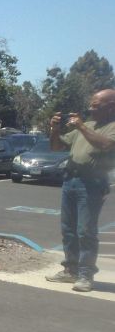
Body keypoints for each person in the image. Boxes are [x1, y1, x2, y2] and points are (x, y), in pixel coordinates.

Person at [45, 89, 115, 292]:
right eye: (90, 104)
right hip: (70, 181)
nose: (90, 108)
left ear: (111, 106)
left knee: (85, 231)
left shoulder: (110, 127)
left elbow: (105, 145)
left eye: (96, 105)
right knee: (68, 229)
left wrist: (81, 126)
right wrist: (55, 129)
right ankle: (71, 270)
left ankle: (85, 275)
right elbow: (57, 147)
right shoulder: (87, 126)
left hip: (92, 184)